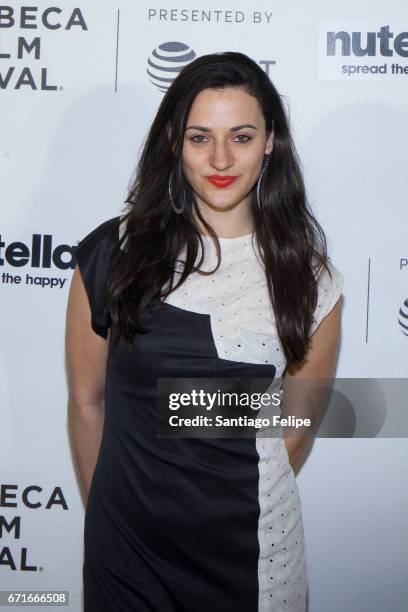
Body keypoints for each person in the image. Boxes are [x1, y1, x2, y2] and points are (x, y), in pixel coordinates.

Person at [65, 51, 343, 611]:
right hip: (126, 559)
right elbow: (87, 400)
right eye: (199, 138)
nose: (220, 158)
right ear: (174, 143)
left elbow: (295, 428)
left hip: (250, 559)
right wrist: (116, 515)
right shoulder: (112, 253)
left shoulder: (310, 279)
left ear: (270, 142)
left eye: (241, 137)